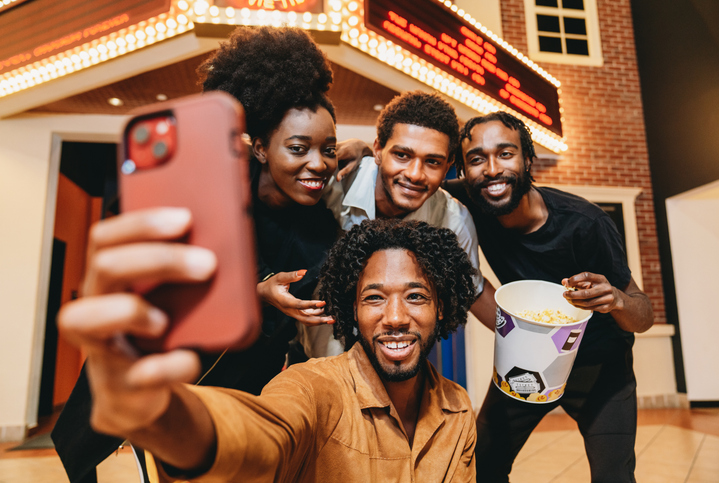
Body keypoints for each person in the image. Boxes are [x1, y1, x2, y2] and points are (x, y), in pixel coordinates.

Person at [51, 26, 340, 482]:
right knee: (93, 443)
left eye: (329, 150)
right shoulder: (216, 177)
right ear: (261, 148)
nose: (318, 164)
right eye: (299, 148)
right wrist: (257, 287)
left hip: (237, 381)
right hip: (163, 344)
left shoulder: (323, 230)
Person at [57, 218, 479, 482]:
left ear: (442, 308)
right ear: (352, 310)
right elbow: (261, 436)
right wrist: (168, 414)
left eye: (417, 297)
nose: (395, 317)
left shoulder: (458, 409)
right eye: (373, 298)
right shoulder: (312, 386)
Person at [443, 111, 654, 482]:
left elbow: (644, 315)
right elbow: (412, 178)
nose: (492, 169)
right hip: (526, 360)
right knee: (482, 466)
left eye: (506, 154)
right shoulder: (471, 199)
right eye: (476, 159)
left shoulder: (584, 224)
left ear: (527, 159)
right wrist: (364, 154)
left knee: (613, 477)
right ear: (463, 171)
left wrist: (617, 300)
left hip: (600, 368)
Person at [324, 90, 494, 337]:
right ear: (378, 150)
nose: (415, 174)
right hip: (310, 350)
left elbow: (473, 290)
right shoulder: (334, 182)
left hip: (393, 353)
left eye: (433, 162)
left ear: (447, 166)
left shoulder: (453, 221)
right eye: (402, 155)